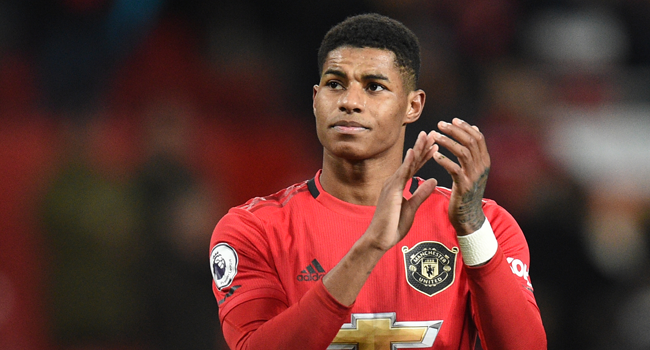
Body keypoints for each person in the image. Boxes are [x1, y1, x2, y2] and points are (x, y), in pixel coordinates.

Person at [209, 13, 547, 350]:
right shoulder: (254, 229)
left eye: (374, 87)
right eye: (335, 84)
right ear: (315, 100)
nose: (350, 102)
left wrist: (472, 229)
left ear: (412, 106)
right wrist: (369, 247)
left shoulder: (485, 226)